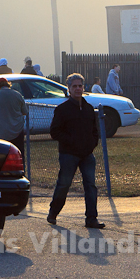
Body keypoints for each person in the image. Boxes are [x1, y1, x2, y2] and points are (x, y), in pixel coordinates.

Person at [47, 73, 105, 229]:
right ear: (69, 89)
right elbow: (55, 132)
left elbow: (95, 131)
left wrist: (92, 144)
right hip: (68, 155)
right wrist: (71, 142)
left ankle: (91, 219)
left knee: (90, 185)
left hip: (87, 155)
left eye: (80, 86)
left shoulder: (88, 108)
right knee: (64, 184)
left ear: (83, 88)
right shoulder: (62, 110)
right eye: (75, 86)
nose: (78, 89)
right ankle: (53, 212)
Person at [0, 77, 27, 166]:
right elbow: (25, 112)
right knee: (19, 153)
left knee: (2, 154)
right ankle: (21, 170)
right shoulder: (17, 95)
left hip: (1, 132)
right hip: (17, 131)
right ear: (8, 84)